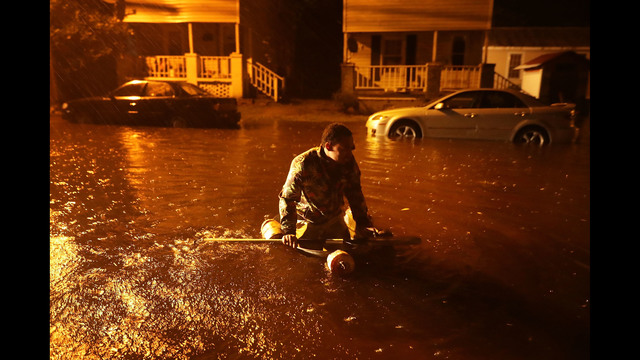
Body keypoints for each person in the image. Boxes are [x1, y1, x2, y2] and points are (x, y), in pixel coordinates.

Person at [278, 123, 386, 248]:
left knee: (352, 250)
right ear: (328, 146)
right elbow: (287, 198)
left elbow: (355, 194)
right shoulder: (303, 164)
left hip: (335, 219)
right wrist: (289, 232)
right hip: (308, 221)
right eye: (344, 149)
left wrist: (363, 224)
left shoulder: (348, 162)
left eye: (351, 148)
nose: (349, 154)